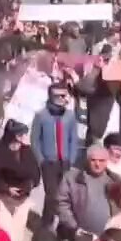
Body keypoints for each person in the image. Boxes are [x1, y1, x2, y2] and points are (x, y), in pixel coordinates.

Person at [58, 145, 121, 241]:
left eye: (101, 161)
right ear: (87, 160)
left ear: (107, 161)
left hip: (107, 236)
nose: (97, 164)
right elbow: (61, 203)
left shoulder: (115, 181)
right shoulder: (73, 177)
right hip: (81, 234)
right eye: (93, 160)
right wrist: (73, 226)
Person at [0, 119, 41, 241]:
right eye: (21, 134)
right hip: (3, 199)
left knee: (17, 234)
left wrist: (29, 186)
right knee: (5, 231)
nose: (24, 138)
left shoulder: (27, 151)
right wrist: (7, 188)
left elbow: (35, 174)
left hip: (21, 200)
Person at [31, 81, 80, 229]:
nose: (63, 99)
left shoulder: (70, 116)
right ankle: (47, 225)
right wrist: (41, 160)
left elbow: (73, 139)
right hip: (49, 162)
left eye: (65, 95)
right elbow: (34, 140)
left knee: (64, 195)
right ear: (51, 96)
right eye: (58, 96)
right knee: (51, 195)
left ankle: (63, 225)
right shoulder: (41, 116)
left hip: (65, 162)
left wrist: (71, 159)